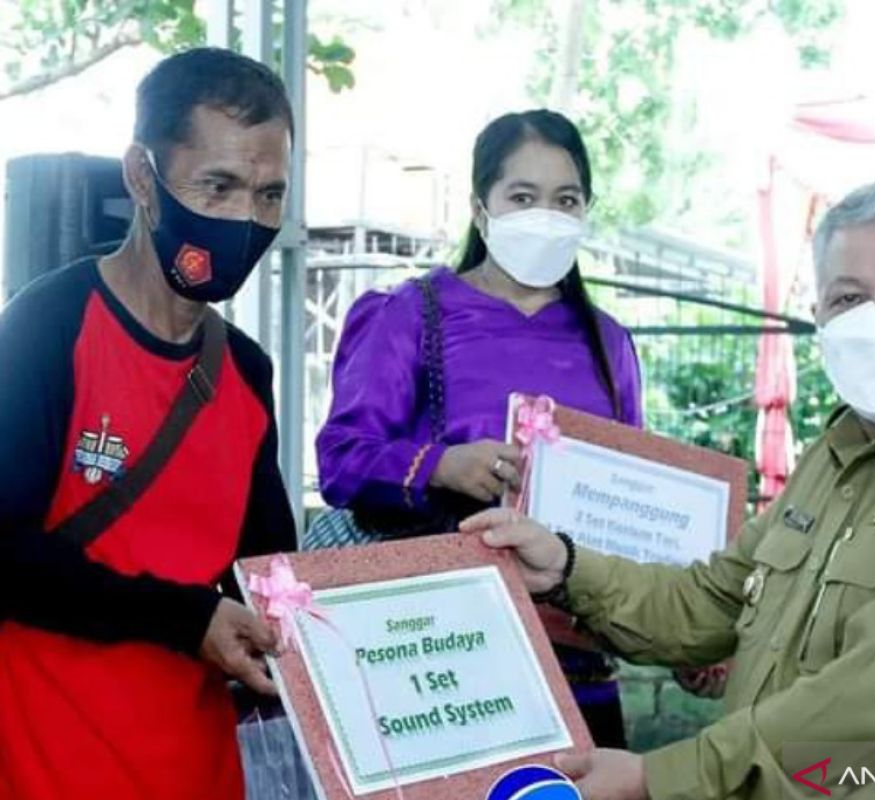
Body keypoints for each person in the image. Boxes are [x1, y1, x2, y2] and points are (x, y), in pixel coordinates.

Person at [461, 177, 875, 800]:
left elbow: (872, 703)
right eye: (850, 298)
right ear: (819, 314)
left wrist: (657, 779)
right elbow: (711, 602)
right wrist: (566, 567)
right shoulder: (840, 455)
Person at [0, 48, 297, 799]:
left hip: (197, 768)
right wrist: (186, 616)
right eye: (218, 186)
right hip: (44, 765)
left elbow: (270, 572)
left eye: (269, 195)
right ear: (141, 176)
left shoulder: (246, 371)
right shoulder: (47, 326)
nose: (245, 220)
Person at [315, 109, 642, 746]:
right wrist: (441, 465)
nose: (546, 215)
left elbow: (631, 492)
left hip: (578, 665)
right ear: (480, 206)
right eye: (523, 197)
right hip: (448, 660)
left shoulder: (610, 343)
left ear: (585, 210)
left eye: (565, 199)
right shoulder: (410, 315)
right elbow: (341, 459)